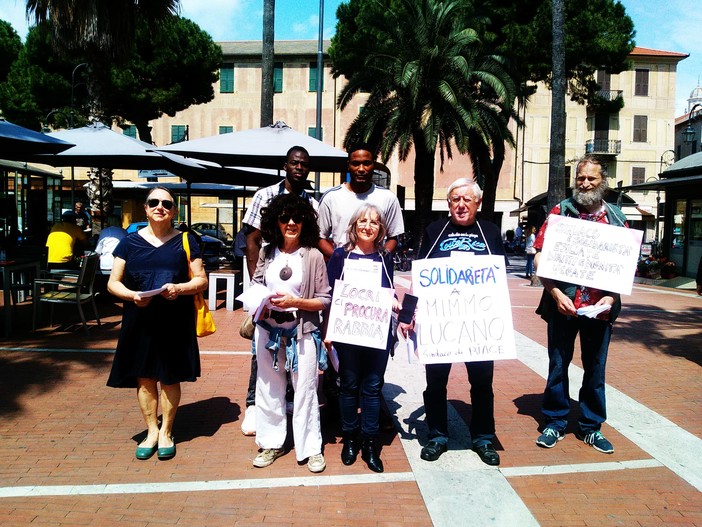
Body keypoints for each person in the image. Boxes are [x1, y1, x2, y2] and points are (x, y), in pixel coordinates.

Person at [399, 177, 505, 466]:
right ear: (448, 205)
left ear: (478, 203)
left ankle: (483, 437)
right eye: (455, 200)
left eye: (466, 200)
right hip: (440, 324)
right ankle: (437, 436)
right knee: (435, 383)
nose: (461, 205)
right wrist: (408, 314)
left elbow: (499, 280)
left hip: (477, 325)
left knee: (482, 383)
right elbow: (418, 275)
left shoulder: (491, 233)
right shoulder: (435, 231)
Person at [533, 155, 627, 454]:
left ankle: (591, 426)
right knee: (558, 365)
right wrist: (555, 293)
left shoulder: (615, 218)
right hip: (563, 305)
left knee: (595, 368)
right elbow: (539, 256)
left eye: (591, 179)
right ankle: (555, 421)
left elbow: (624, 267)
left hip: (599, 309)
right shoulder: (561, 212)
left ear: (603, 182)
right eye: (580, 178)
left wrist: (611, 297)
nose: (585, 184)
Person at [106, 187, 208, 461]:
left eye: (166, 203)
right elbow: (113, 282)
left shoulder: (187, 240)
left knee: (170, 377)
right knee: (145, 377)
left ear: (174, 211)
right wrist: (132, 295)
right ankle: (151, 430)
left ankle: (167, 431)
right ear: (146, 208)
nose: (160, 207)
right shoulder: (128, 242)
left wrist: (180, 287)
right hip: (139, 321)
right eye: (154, 202)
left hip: (175, 321)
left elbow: (201, 279)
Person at [239, 146, 318, 436]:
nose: (299, 168)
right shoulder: (264, 195)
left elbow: (315, 240)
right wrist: (256, 288)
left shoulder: (312, 201)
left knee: (295, 350)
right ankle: (252, 405)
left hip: (297, 289)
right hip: (267, 286)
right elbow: (252, 240)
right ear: (285, 165)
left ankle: (287, 403)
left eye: (304, 165)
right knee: (260, 349)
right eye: (295, 163)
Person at [250, 193, 331, 472]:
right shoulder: (266, 251)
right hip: (269, 331)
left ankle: (310, 448)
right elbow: (256, 285)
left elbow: (324, 299)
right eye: (284, 218)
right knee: (269, 388)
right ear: (276, 221)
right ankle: (271, 443)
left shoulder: (314, 256)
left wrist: (295, 302)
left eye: (297, 217)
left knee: (306, 390)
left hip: (302, 332)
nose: (291, 223)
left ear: (305, 221)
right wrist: (262, 302)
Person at [325, 204, 400, 473]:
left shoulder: (384, 257)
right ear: (354, 225)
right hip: (348, 333)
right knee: (348, 386)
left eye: (375, 222)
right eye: (363, 221)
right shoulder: (340, 256)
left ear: (381, 229)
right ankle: (350, 437)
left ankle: (370, 441)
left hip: (375, 333)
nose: (368, 226)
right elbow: (330, 295)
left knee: (372, 388)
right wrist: (328, 332)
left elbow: (388, 289)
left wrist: (394, 302)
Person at [317, 144, 404, 259]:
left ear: (374, 165)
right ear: (348, 166)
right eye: (356, 164)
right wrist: (337, 258)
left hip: (374, 270)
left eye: (366, 163)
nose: (361, 169)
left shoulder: (388, 198)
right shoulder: (331, 197)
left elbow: (394, 237)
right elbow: (319, 237)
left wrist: (379, 259)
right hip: (342, 270)